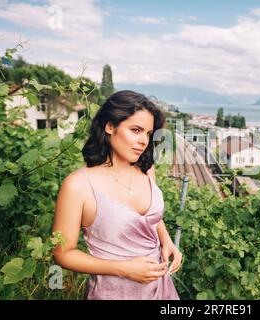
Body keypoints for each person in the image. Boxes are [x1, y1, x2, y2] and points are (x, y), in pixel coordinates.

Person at [52, 90, 181, 300]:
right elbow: (62, 254)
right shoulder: (78, 185)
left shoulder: (147, 171)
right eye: (136, 130)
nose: (143, 141)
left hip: (162, 290)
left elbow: (149, 219)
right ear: (110, 126)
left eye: (148, 134)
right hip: (112, 293)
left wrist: (166, 241)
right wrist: (124, 269)